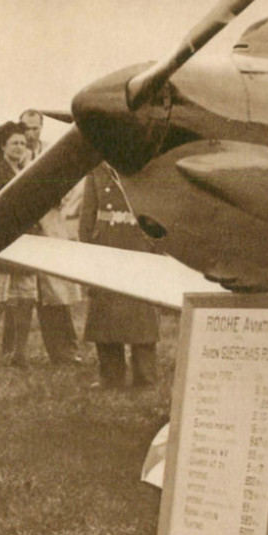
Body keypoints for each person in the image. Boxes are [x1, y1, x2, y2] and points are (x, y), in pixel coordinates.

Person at [79, 163, 160, 387]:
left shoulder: (146, 165)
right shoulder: (96, 169)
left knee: (141, 312)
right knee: (103, 313)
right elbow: (88, 211)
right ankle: (110, 376)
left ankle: (145, 376)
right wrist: (85, 247)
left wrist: (155, 246)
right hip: (105, 243)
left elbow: (159, 208)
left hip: (138, 244)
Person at [21, 108, 83, 364]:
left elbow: (72, 183)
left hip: (53, 225)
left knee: (59, 289)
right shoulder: (18, 153)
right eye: (27, 128)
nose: (32, 133)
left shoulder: (53, 150)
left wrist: (63, 200)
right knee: (34, 293)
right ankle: (54, 350)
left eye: (36, 128)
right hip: (30, 228)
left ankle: (68, 347)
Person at [0, 120, 36, 370]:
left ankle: (19, 354)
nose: (19, 147)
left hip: (27, 242)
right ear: (3, 146)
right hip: (1, 243)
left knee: (26, 300)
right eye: (14, 143)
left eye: (23, 143)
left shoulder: (31, 170)